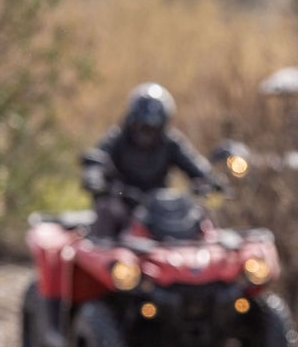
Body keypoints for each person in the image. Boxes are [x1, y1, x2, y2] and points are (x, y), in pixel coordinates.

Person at [81, 83, 219, 238]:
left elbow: (194, 163)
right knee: (108, 209)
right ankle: (102, 255)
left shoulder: (170, 142)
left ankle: (207, 256)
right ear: (133, 121)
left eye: (153, 128)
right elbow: (98, 158)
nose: (147, 133)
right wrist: (93, 177)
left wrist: (210, 179)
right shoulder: (118, 138)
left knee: (199, 212)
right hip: (125, 201)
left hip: (160, 207)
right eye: (143, 126)